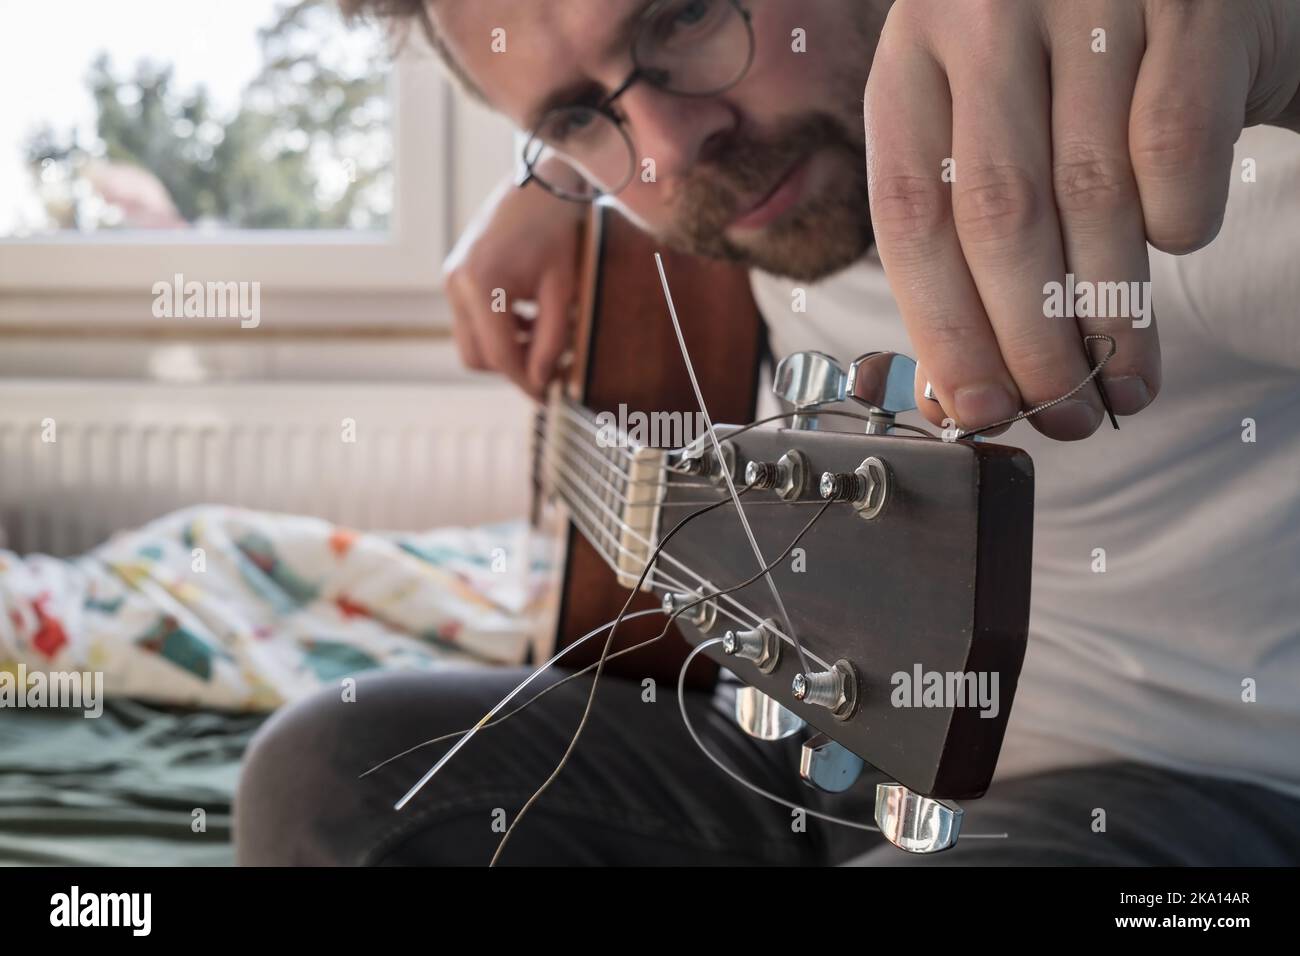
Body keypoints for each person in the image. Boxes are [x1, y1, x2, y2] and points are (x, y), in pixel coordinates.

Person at [235, 0, 1300, 865]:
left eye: (682, 16)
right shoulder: (715, 176)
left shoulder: (1169, 148)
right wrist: (542, 193)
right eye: (573, 119)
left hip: (1182, 786)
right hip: (825, 748)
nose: (665, 153)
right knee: (336, 773)